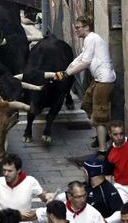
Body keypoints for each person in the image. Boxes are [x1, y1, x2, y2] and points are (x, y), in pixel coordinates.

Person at [54, 16, 116, 157]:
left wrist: (67, 74)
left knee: (100, 115)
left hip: (104, 80)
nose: (76, 30)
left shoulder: (91, 38)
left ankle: (102, 149)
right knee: (87, 103)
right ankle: (103, 133)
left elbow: (85, 63)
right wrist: (64, 71)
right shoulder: (90, 40)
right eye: (75, 27)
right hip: (98, 79)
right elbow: (80, 58)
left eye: (78, 27)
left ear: (87, 27)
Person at [27, 181, 104, 222]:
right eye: (78, 197)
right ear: (70, 196)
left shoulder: (94, 214)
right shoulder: (58, 209)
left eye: (84, 195)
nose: (83, 199)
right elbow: (33, 215)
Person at [104, 120, 128, 203]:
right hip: (121, 187)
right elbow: (108, 176)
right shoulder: (110, 154)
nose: (119, 137)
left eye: (121, 133)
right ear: (110, 134)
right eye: (115, 134)